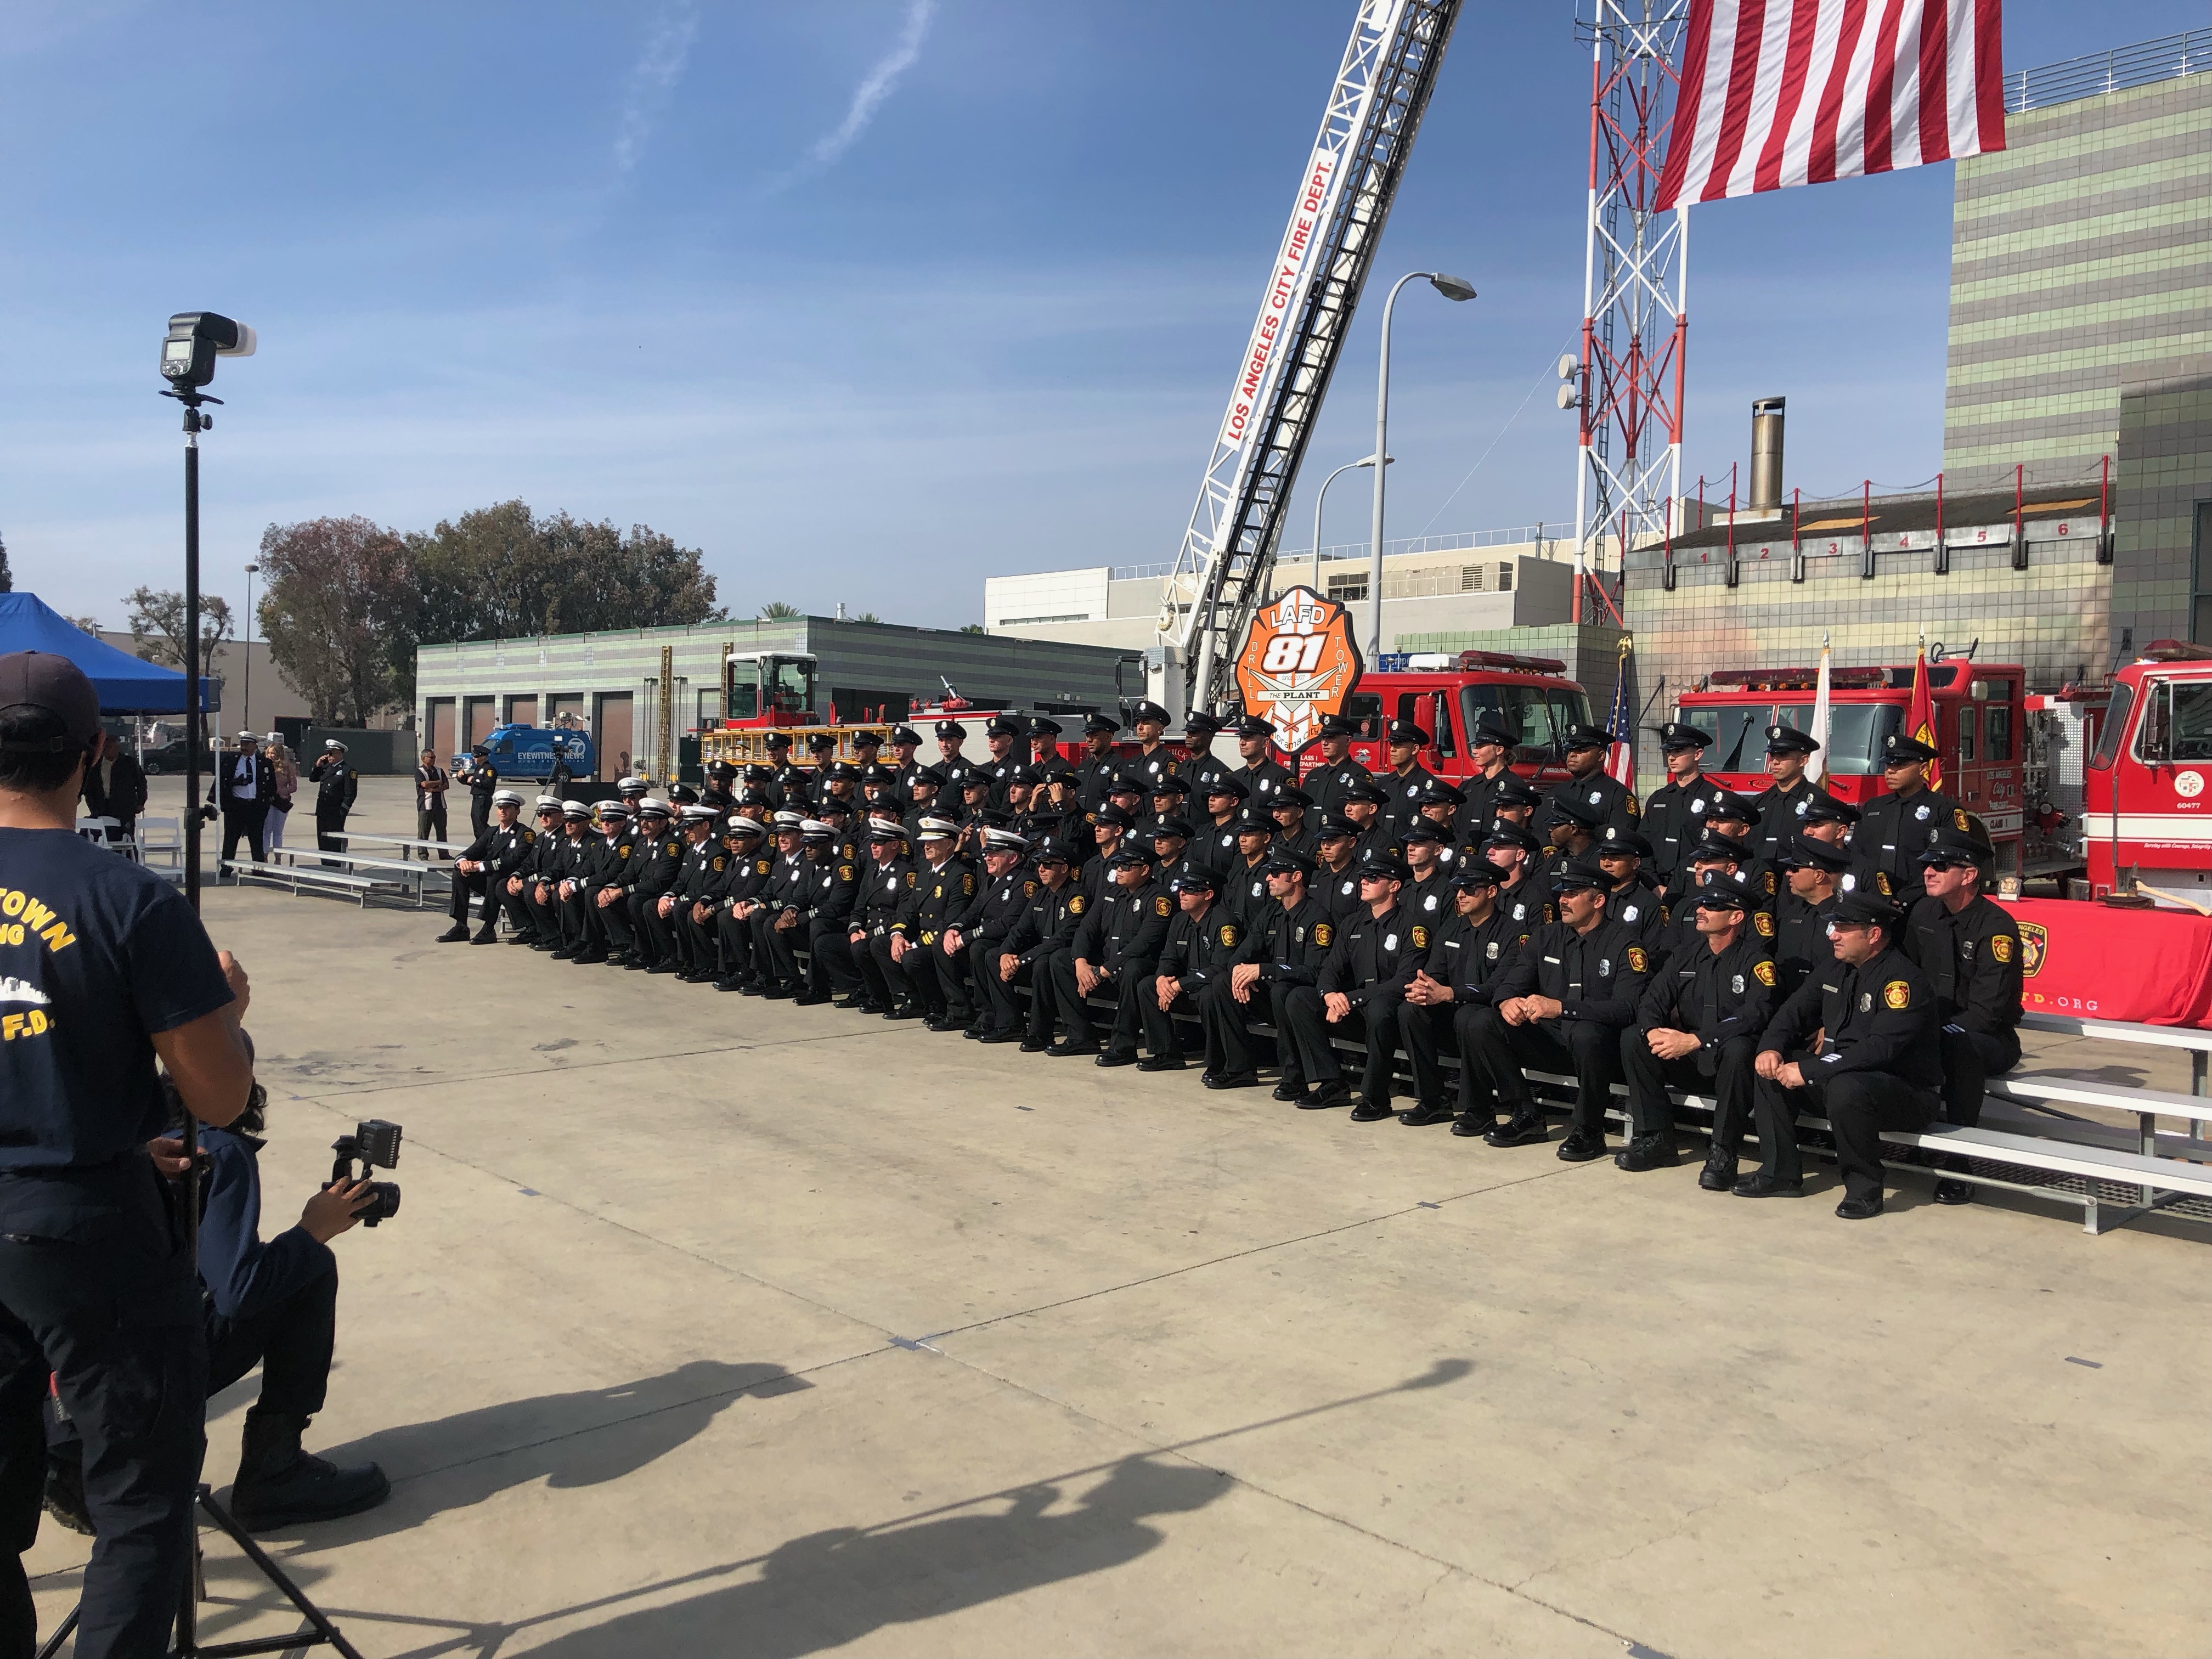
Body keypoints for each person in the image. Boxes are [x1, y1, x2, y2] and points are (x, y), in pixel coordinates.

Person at [0, 649, 256, 1658]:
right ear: (98, 753)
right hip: (84, 1225)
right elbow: (220, 1095)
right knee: (142, 1503)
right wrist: (224, 1011)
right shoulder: (130, 900)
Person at [45, 1075, 390, 1537]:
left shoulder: (115, 1147)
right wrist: (314, 1229)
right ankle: (274, 1473)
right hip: (130, 1429)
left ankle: (71, 1468)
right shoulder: (218, 1152)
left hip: (62, 1417)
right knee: (307, 1268)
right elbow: (238, 1290)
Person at [1748, 891, 1943, 1217]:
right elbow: (1791, 1013)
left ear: (1874, 935)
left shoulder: (1902, 980)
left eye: (1844, 928)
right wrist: (1770, 1047)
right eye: (1833, 926)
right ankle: (1779, 1172)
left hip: (1904, 1091)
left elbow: (1880, 1048)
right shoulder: (1836, 968)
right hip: (1843, 1076)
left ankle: (1864, 1189)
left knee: (1846, 1087)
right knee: (1774, 1069)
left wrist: (1811, 1071)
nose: (1833, 934)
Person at [1462, 859, 1649, 1158]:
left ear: (1598, 900)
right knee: (1482, 1021)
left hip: (1600, 1048)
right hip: (1552, 1038)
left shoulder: (1625, 943)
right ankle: (1526, 1113)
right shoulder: (1546, 936)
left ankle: (1590, 1129)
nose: (1562, 900)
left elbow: (1628, 1008)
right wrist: (1508, 1002)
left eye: (1572, 893)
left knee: (1587, 1032)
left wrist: (1562, 1008)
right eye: (1562, 893)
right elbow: (1511, 985)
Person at [1619, 873, 1776, 1179]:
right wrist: (1653, 1031)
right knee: (1634, 1039)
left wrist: (1697, 1040)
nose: (1701, 910)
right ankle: (1656, 1137)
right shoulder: (1685, 955)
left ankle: (1723, 1151)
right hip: (1688, 1059)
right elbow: (1651, 1001)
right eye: (1702, 903)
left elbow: (1754, 1015)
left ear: (1736, 916)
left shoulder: (1756, 962)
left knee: (1739, 1047)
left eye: (1713, 906)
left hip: (1727, 1064)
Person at [1902, 826, 2023, 1205]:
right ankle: (1913, 1134)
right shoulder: (1923, 911)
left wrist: (1929, 1033)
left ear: (1969, 875)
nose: (1928, 872)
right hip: (1934, 1028)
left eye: (1940, 866)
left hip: (1990, 1039)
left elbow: (1987, 1013)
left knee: (1959, 1047)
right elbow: (1905, 975)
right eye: (1927, 865)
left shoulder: (1996, 927)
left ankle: (1960, 1159)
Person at [1279, 846, 1430, 1119]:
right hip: (1353, 1010)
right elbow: (1329, 969)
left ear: (1394, 885)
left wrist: (1353, 998)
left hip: (1392, 1013)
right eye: (1363, 876)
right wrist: (1329, 995)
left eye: (1374, 878)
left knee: (1380, 1008)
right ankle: (1332, 1082)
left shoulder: (1412, 926)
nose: (1364, 881)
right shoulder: (1352, 924)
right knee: (1300, 997)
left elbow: (1405, 981)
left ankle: (1376, 1097)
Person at [1400, 861, 1524, 1135]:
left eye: (1469, 889)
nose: (1461, 895)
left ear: (1492, 892)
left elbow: (1498, 988)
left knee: (1470, 1016)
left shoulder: (1513, 932)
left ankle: (1479, 1109)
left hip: (1490, 1019)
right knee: (1410, 1010)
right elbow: (1434, 974)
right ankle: (1433, 1099)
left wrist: (1450, 994)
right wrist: (1424, 988)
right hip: (1453, 1014)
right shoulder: (1451, 929)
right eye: (1458, 889)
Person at [1850, 732, 1966, 908]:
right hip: (1873, 903)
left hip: (1923, 906)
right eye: (1888, 765)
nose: (1890, 771)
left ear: (1923, 769)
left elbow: (1951, 862)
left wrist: (1907, 897)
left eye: (1900, 765)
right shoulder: (1873, 807)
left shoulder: (1944, 810)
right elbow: (1857, 855)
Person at [437, 789, 536, 944]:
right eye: (500, 808)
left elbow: (513, 861)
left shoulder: (524, 834)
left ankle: (489, 928)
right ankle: (461, 925)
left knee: (495, 876)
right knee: (460, 874)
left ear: (517, 811)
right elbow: (470, 852)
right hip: (489, 882)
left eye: (508, 808)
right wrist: (463, 862)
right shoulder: (491, 832)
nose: (503, 811)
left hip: (507, 883)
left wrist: (481, 866)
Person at [1640, 721, 1715, 887]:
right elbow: (1643, 845)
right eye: (1669, 751)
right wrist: (1653, 885)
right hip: (1656, 885)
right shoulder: (1658, 799)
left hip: (1695, 885)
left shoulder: (1713, 798)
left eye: (1679, 751)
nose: (1672, 757)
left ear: (1698, 754)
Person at [1752, 724, 1831, 865]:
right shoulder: (1758, 803)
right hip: (1757, 881)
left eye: (1783, 756)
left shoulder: (1819, 803)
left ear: (1803, 760)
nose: (1775, 762)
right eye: (1773, 755)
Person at [209, 729, 274, 874]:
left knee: (256, 839)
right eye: (242, 744)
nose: (244, 747)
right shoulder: (232, 761)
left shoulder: (264, 763)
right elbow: (222, 781)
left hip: (256, 806)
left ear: (255, 746)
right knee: (231, 838)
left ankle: (258, 868)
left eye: (247, 744)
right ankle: (226, 867)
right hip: (236, 806)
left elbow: (271, 785)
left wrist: (266, 803)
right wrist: (235, 782)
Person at [78, 734, 147, 846]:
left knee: (126, 837)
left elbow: (141, 784)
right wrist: (89, 800)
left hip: (123, 807)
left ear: (117, 748)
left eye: (111, 747)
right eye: (105, 747)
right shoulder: (96, 765)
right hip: (101, 806)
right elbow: (87, 785)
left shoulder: (129, 763)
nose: (108, 750)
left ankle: (128, 859)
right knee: (99, 835)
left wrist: (140, 802)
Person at [307, 740, 358, 865]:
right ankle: (326, 867)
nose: (328, 757)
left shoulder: (347, 770)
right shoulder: (326, 768)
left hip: (336, 812)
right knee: (323, 841)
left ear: (339, 754)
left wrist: (343, 811)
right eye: (328, 754)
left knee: (335, 842)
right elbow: (313, 779)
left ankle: (336, 868)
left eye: (331, 754)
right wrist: (318, 765)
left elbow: (350, 794)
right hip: (323, 811)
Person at [262, 734, 298, 853]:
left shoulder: (287, 767)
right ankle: (265, 856)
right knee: (266, 831)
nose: (271, 756)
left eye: (274, 753)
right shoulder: (263, 765)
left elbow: (294, 786)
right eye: (269, 753)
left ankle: (278, 858)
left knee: (278, 831)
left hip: (281, 801)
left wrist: (283, 791)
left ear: (279, 754)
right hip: (267, 801)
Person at [414, 747, 450, 857]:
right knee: (424, 832)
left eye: (434, 757)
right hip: (425, 806)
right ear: (424, 758)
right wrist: (438, 783)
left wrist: (434, 787)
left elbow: (446, 785)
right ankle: (423, 853)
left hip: (440, 805)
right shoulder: (419, 771)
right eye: (431, 757)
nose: (434, 759)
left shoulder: (439, 771)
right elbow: (424, 785)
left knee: (442, 831)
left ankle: (444, 853)